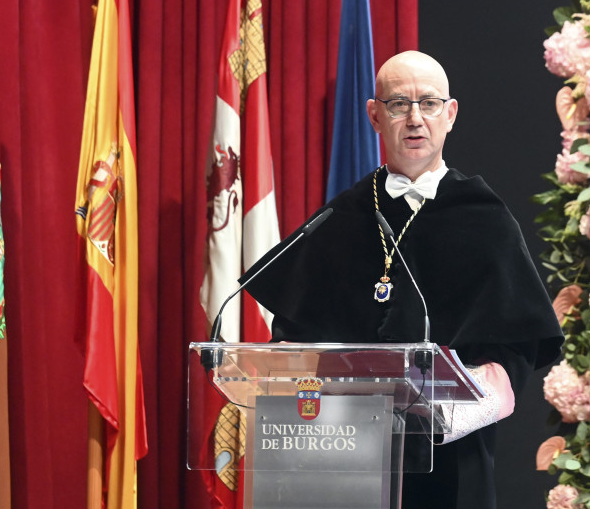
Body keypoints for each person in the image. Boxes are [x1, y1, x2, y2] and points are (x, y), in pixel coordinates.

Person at [241, 50, 563, 509]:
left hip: (450, 464)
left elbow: (514, 348)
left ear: (450, 115)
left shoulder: (486, 220)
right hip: (342, 461)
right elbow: (296, 341)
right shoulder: (341, 218)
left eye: (428, 103)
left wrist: (452, 411)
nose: (415, 119)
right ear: (375, 115)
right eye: (398, 104)